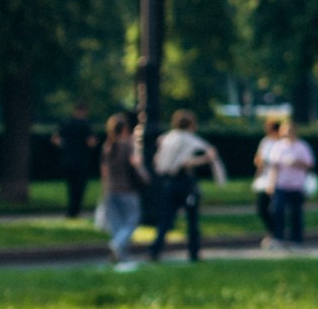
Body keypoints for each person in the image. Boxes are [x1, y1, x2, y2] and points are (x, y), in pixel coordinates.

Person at [147, 111, 226, 262]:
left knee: (166, 218)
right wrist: (205, 159)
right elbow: (185, 162)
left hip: (169, 183)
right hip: (185, 183)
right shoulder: (188, 140)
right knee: (192, 219)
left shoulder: (168, 138)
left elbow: (158, 162)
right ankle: (194, 253)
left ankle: (155, 249)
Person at [258, 115, 317, 245]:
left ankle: (296, 239)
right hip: (281, 184)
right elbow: (274, 166)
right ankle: (278, 237)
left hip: (297, 185)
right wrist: (271, 184)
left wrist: (296, 163)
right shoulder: (278, 147)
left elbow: (309, 164)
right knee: (278, 210)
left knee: (296, 213)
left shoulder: (302, 146)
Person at [94, 113, 145, 265]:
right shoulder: (128, 145)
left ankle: (121, 256)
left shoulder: (107, 146)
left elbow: (104, 172)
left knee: (117, 225)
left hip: (111, 189)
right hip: (127, 189)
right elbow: (136, 164)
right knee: (131, 221)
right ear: (124, 128)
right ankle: (117, 246)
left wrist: (104, 190)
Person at [53, 102, 97, 219]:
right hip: (81, 160)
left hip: (68, 159)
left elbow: (56, 139)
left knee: (71, 187)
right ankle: (75, 211)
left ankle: (71, 210)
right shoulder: (86, 124)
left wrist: (66, 147)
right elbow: (91, 142)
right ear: (84, 111)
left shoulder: (66, 123)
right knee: (80, 187)